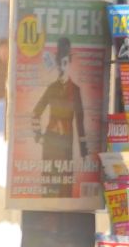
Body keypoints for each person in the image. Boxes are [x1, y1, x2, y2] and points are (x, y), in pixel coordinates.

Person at [31, 37, 89, 198]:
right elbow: (36, 112)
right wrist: (38, 135)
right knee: (49, 185)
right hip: (50, 143)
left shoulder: (76, 91)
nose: (62, 67)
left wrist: (84, 152)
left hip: (65, 145)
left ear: (69, 63)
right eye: (60, 64)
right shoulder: (51, 88)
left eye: (65, 63)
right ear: (57, 65)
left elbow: (80, 121)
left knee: (64, 188)